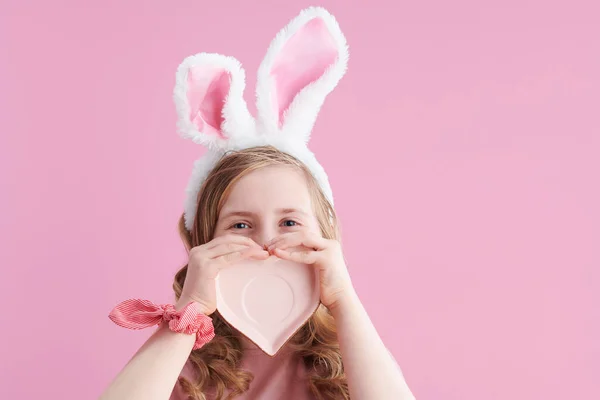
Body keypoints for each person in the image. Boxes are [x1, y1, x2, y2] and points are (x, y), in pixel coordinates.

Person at [99, 7, 415, 400]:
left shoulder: (348, 355)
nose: (267, 247)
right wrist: (191, 309)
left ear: (325, 235)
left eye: (289, 223)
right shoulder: (190, 362)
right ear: (203, 245)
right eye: (240, 226)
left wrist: (344, 302)